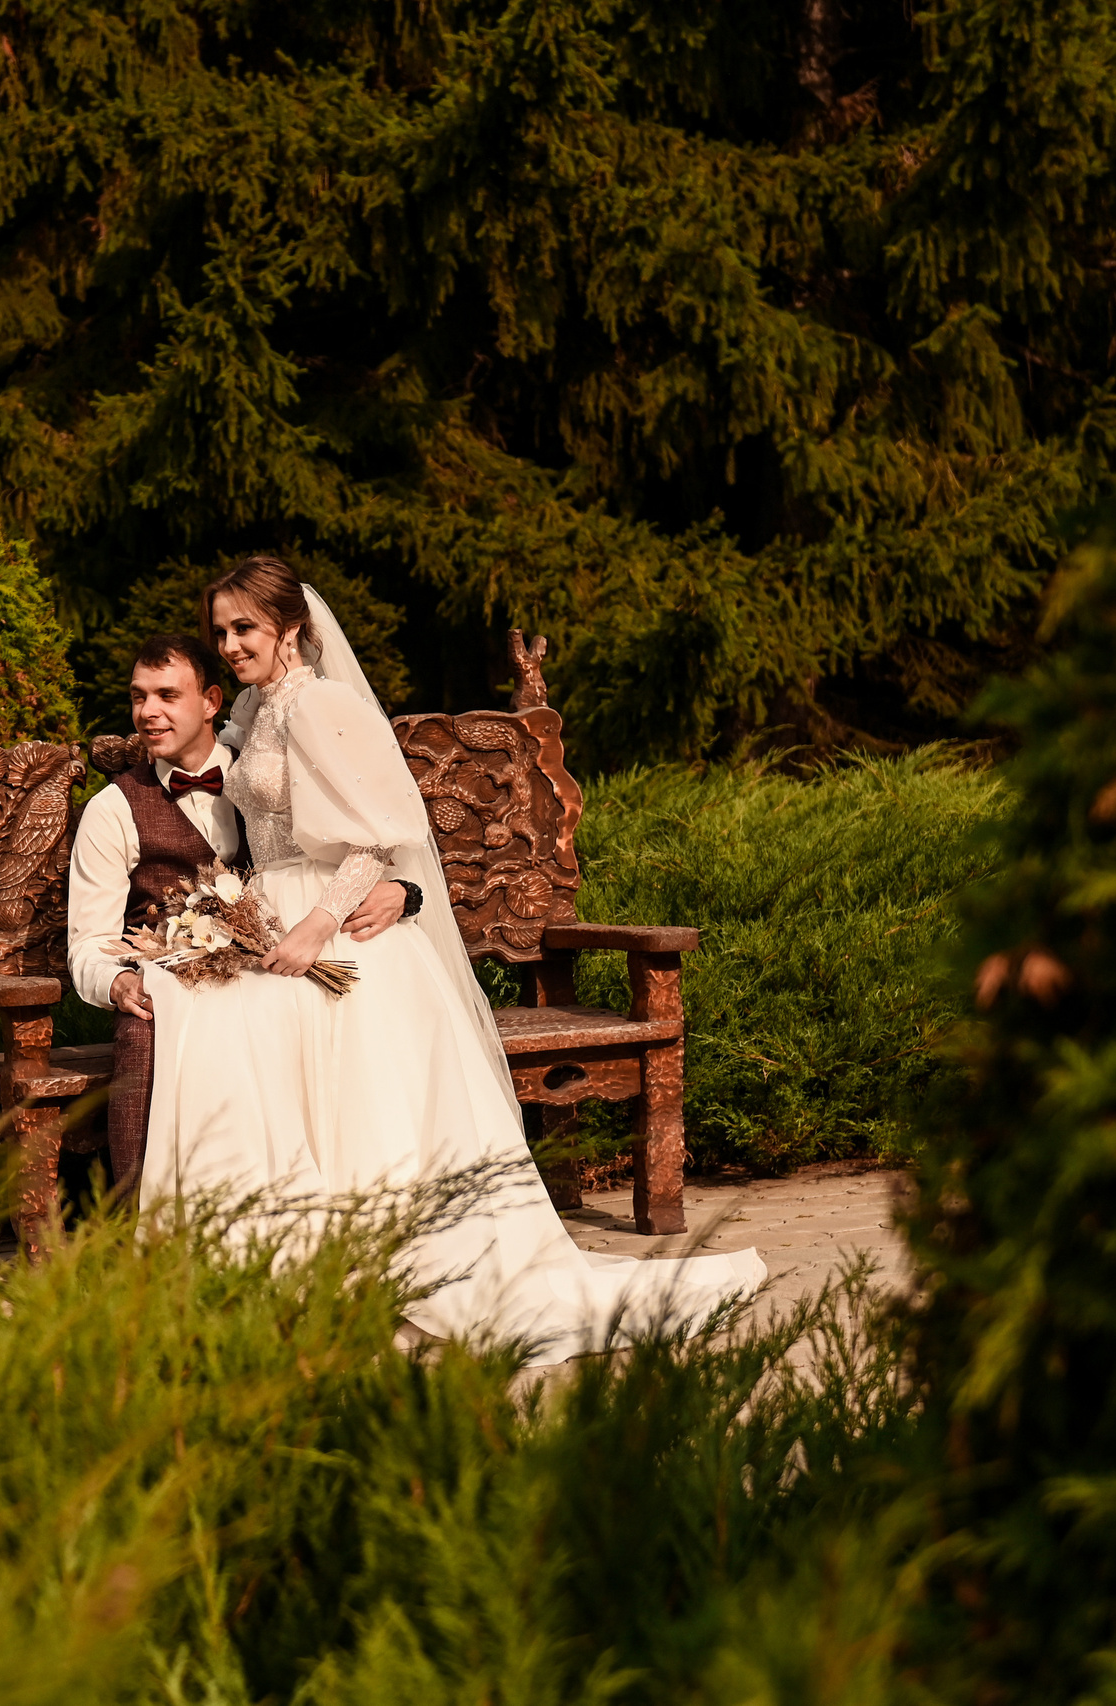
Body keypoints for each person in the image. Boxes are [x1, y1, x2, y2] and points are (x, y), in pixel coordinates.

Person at [139, 556, 767, 1366]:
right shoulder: (259, 709)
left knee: (366, 1112)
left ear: (291, 627)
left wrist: (323, 921)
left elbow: (380, 830)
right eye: (220, 631)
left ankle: (400, 1272)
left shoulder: (322, 704)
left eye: (245, 628)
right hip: (277, 910)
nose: (229, 643)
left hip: (334, 925)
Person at [66, 632, 412, 1201]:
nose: (148, 712)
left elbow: (360, 841)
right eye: (138, 697)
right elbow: (88, 943)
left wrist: (404, 889)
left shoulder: (270, 773)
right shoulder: (112, 810)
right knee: (145, 1026)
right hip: (184, 982)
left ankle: (357, 1198)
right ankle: (141, 1223)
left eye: (167, 696)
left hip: (288, 964)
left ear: (211, 701)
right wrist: (117, 981)